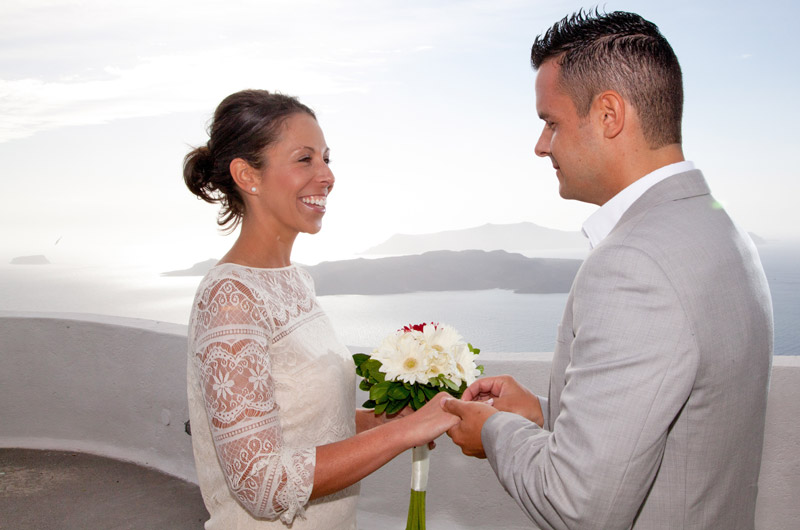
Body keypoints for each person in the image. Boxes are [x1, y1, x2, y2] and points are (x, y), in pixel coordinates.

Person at [442, 9, 773, 530]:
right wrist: (544, 416)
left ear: (609, 115)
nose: (541, 145)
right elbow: (670, 426)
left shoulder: (635, 265)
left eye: (550, 122)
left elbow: (578, 506)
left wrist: (492, 431)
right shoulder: (720, 231)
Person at [183, 89, 457, 529]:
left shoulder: (294, 281)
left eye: (327, 158)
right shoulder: (231, 298)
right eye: (304, 159)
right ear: (247, 176)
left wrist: (382, 420)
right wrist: (407, 432)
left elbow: (300, 417)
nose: (327, 175)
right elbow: (261, 483)